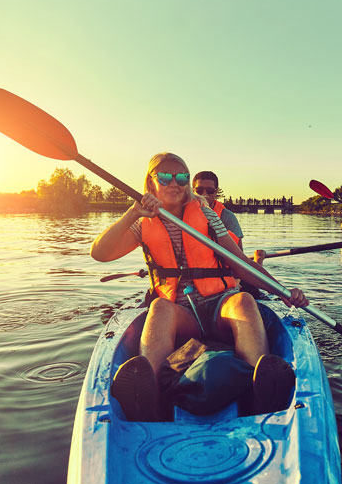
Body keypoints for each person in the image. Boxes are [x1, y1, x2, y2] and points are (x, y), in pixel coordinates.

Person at [90, 152, 308, 421]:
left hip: (219, 306)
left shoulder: (206, 214)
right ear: (151, 182)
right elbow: (99, 253)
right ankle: (151, 397)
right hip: (182, 315)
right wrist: (132, 212)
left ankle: (258, 388)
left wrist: (283, 293)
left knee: (244, 302)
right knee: (159, 307)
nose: (175, 183)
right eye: (165, 177)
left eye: (181, 177)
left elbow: (241, 264)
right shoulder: (141, 222)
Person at [193, 171, 242, 249]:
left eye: (210, 190)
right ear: (193, 191)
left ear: (216, 192)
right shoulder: (181, 213)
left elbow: (239, 253)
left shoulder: (228, 217)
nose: (204, 194)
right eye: (199, 190)